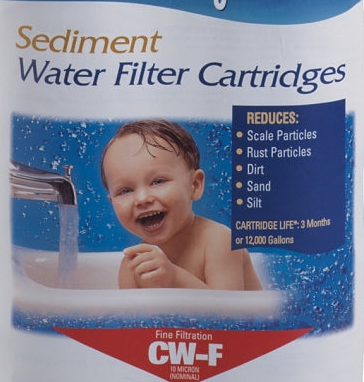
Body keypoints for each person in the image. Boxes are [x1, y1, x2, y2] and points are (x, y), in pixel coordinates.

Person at [101, 119, 262, 291]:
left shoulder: (219, 241)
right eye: (125, 191)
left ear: (194, 185)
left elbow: (229, 308)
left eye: (158, 181)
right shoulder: (132, 266)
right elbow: (130, 310)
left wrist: (174, 277)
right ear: (112, 201)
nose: (142, 199)